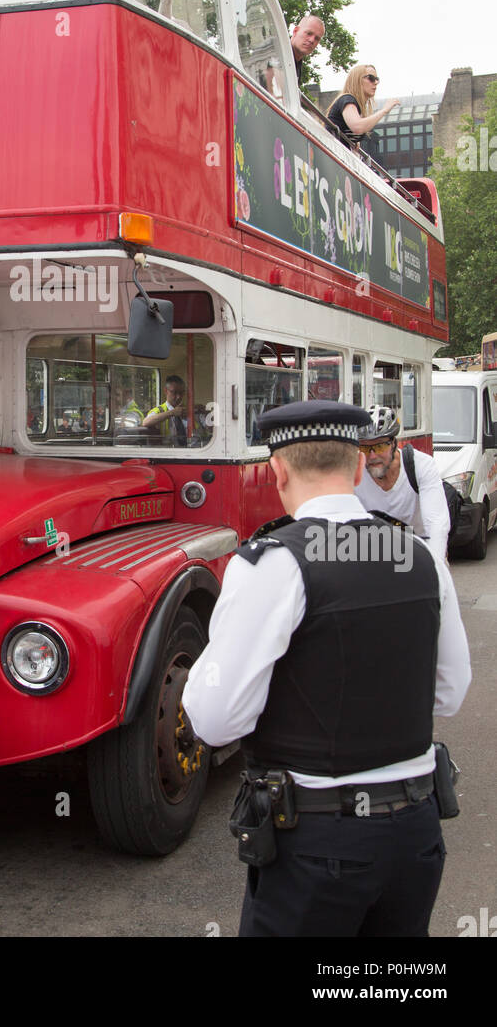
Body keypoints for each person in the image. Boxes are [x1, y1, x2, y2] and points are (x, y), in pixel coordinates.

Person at [182, 399, 470, 938]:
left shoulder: (273, 563)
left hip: (318, 842)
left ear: (277, 470)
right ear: (358, 465)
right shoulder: (422, 557)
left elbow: (216, 721)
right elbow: (450, 693)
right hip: (416, 835)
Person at [354, 405, 451, 564]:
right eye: (364, 447)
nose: (372, 456)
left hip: (420, 549)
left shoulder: (421, 465)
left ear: (393, 443)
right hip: (375, 553)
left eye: (379, 446)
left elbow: (436, 523)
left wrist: (436, 567)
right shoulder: (354, 471)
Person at [325, 63, 400, 150]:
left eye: (377, 79)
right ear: (357, 80)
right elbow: (358, 127)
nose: (375, 82)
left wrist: (354, 141)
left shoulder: (355, 105)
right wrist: (384, 110)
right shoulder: (347, 99)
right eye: (371, 78)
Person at [143, 375, 189, 447]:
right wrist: (172, 413)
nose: (178, 396)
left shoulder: (188, 410)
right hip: (168, 452)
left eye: (181, 393)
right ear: (166, 391)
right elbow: (146, 422)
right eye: (174, 392)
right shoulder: (159, 411)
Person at [289, 14, 325, 81]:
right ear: (295, 31)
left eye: (317, 38)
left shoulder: (296, 63)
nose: (312, 40)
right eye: (309, 33)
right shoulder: (274, 50)